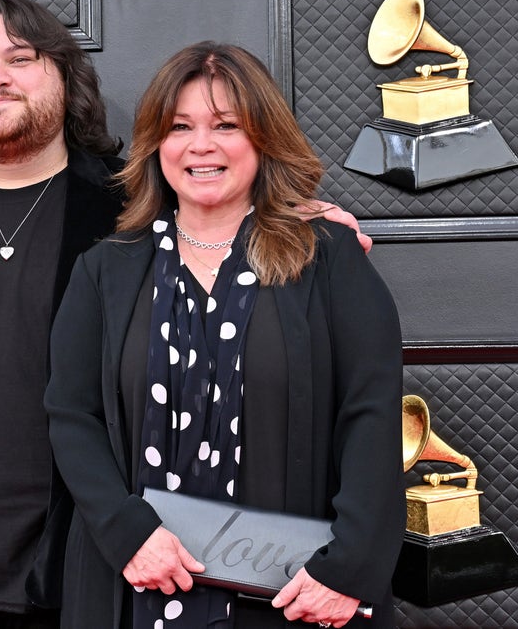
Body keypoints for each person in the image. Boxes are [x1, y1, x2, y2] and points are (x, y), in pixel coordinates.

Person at [0, 0, 372, 629]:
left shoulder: (134, 210)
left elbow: (229, 207)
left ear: (64, 77)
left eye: (20, 58)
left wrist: (307, 220)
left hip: (88, 575)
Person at [43, 42, 404, 629]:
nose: (201, 145)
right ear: (156, 144)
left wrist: (348, 569)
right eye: (179, 126)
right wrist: (126, 533)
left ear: (263, 138)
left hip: (299, 597)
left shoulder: (329, 257)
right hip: (134, 588)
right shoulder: (104, 270)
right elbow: (71, 415)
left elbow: (370, 413)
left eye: (226, 125)